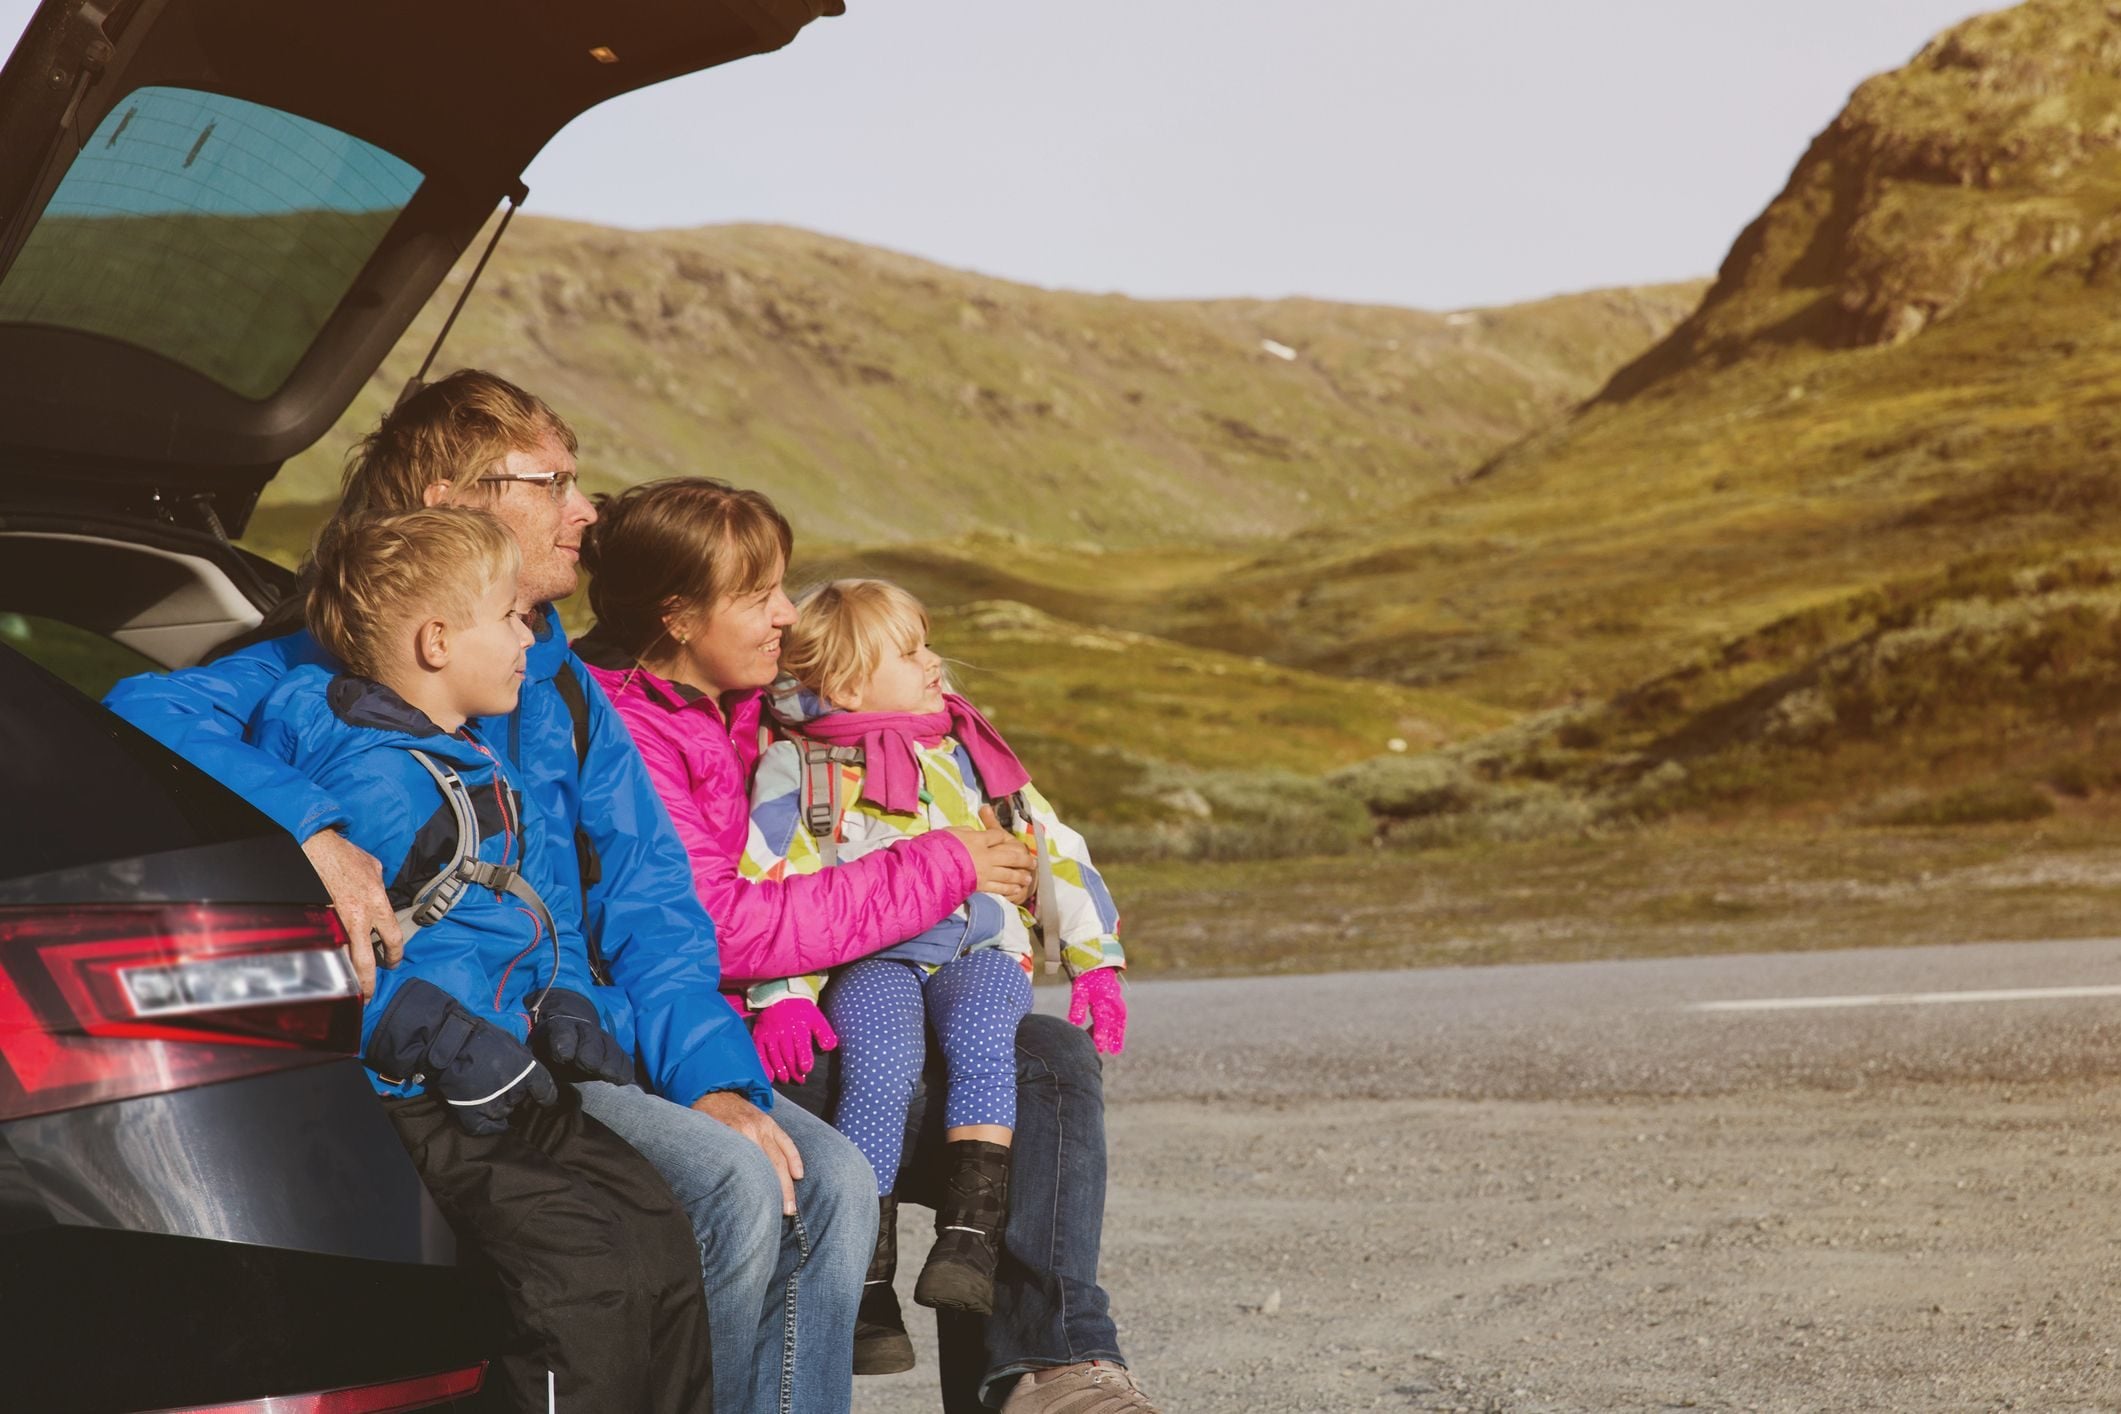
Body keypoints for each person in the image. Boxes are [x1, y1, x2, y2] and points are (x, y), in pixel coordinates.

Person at [104, 371, 874, 1414]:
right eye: (552, 483)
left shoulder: (561, 683)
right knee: (732, 1183)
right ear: (451, 500)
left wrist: (711, 1079)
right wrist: (310, 826)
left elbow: (652, 907)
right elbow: (142, 704)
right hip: (481, 1058)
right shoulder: (322, 671)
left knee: (834, 1180)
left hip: (594, 1036)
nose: (586, 510)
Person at [573, 477, 1162, 1413]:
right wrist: (947, 865)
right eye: (758, 595)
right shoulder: (629, 731)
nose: (785, 614)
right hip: (716, 1037)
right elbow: (717, 925)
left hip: (795, 1003)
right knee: (1022, 1080)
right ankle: (1022, 1360)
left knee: (1042, 1054)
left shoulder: (755, 704)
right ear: (677, 618)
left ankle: (1046, 1363)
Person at [254, 506, 711, 1411]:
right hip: (416, 1095)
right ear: (436, 642)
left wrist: (563, 999)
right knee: (581, 1275)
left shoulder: (460, 757)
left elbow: (524, 916)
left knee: (659, 1234)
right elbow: (309, 946)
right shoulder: (373, 779)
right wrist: (431, 1033)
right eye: (509, 617)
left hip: (506, 1071)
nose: (528, 638)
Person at [741, 578, 1128, 1324]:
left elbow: (1054, 848)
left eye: (928, 646)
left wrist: (1096, 960)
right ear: (848, 685)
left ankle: (967, 1244)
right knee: (878, 1068)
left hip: (981, 948)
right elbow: (778, 881)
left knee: (985, 1043)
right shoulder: (801, 767)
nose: (933, 663)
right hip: (873, 960)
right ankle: (867, 1276)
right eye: (911, 652)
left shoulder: (971, 754)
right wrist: (784, 997)